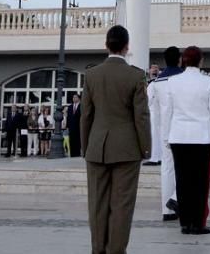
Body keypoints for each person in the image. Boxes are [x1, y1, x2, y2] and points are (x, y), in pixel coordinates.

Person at [81, 25, 151, 254]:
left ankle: (97, 249)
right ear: (127, 46)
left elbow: (86, 115)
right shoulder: (136, 75)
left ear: (106, 45)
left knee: (97, 205)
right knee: (122, 205)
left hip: (97, 147)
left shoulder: (92, 75)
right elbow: (141, 117)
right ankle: (116, 250)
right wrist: (146, 149)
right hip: (127, 149)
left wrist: (85, 147)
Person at [162, 45, 210, 235]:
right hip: (202, 137)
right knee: (200, 182)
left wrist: (166, 137)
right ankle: (197, 223)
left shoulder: (172, 82)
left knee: (182, 181)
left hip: (179, 136)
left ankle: (185, 223)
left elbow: (167, 112)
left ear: (183, 61)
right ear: (201, 61)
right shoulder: (209, 83)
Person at [150, 46, 183, 221]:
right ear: (179, 59)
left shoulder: (156, 83)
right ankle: (176, 199)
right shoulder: (184, 78)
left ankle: (167, 210)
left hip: (165, 130)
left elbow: (154, 110)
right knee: (187, 168)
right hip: (183, 129)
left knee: (167, 169)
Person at [144, 64, 162, 165]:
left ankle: (154, 158)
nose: (155, 70)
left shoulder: (153, 84)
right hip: (155, 112)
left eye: (157, 68)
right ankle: (158, 157)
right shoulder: (150, 83)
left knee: (155, 134)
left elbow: (148, 100)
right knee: (156, 134)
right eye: (153, 68)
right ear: (149, 70)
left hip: (154, 112)